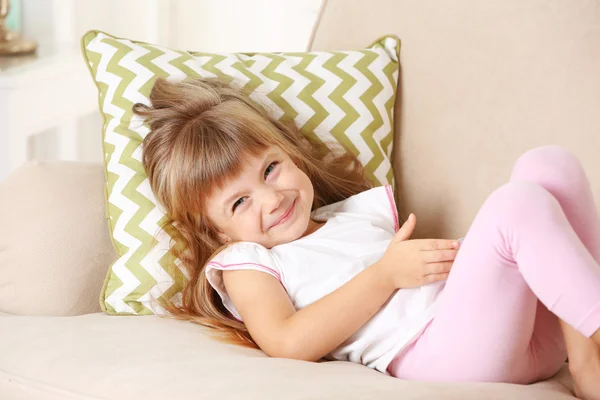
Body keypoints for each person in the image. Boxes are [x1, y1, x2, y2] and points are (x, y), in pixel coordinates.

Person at [133, 76, 600, 400]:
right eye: (239, 203)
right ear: (215, 230)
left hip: (513, 335)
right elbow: (286, 341)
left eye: (271, 169)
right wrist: (386, 275)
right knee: (515, 204)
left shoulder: (348, 217)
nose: (271, 199)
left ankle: (585, 360)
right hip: (439, 357)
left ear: (291, 154)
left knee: (549, 164)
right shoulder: (246, 261)